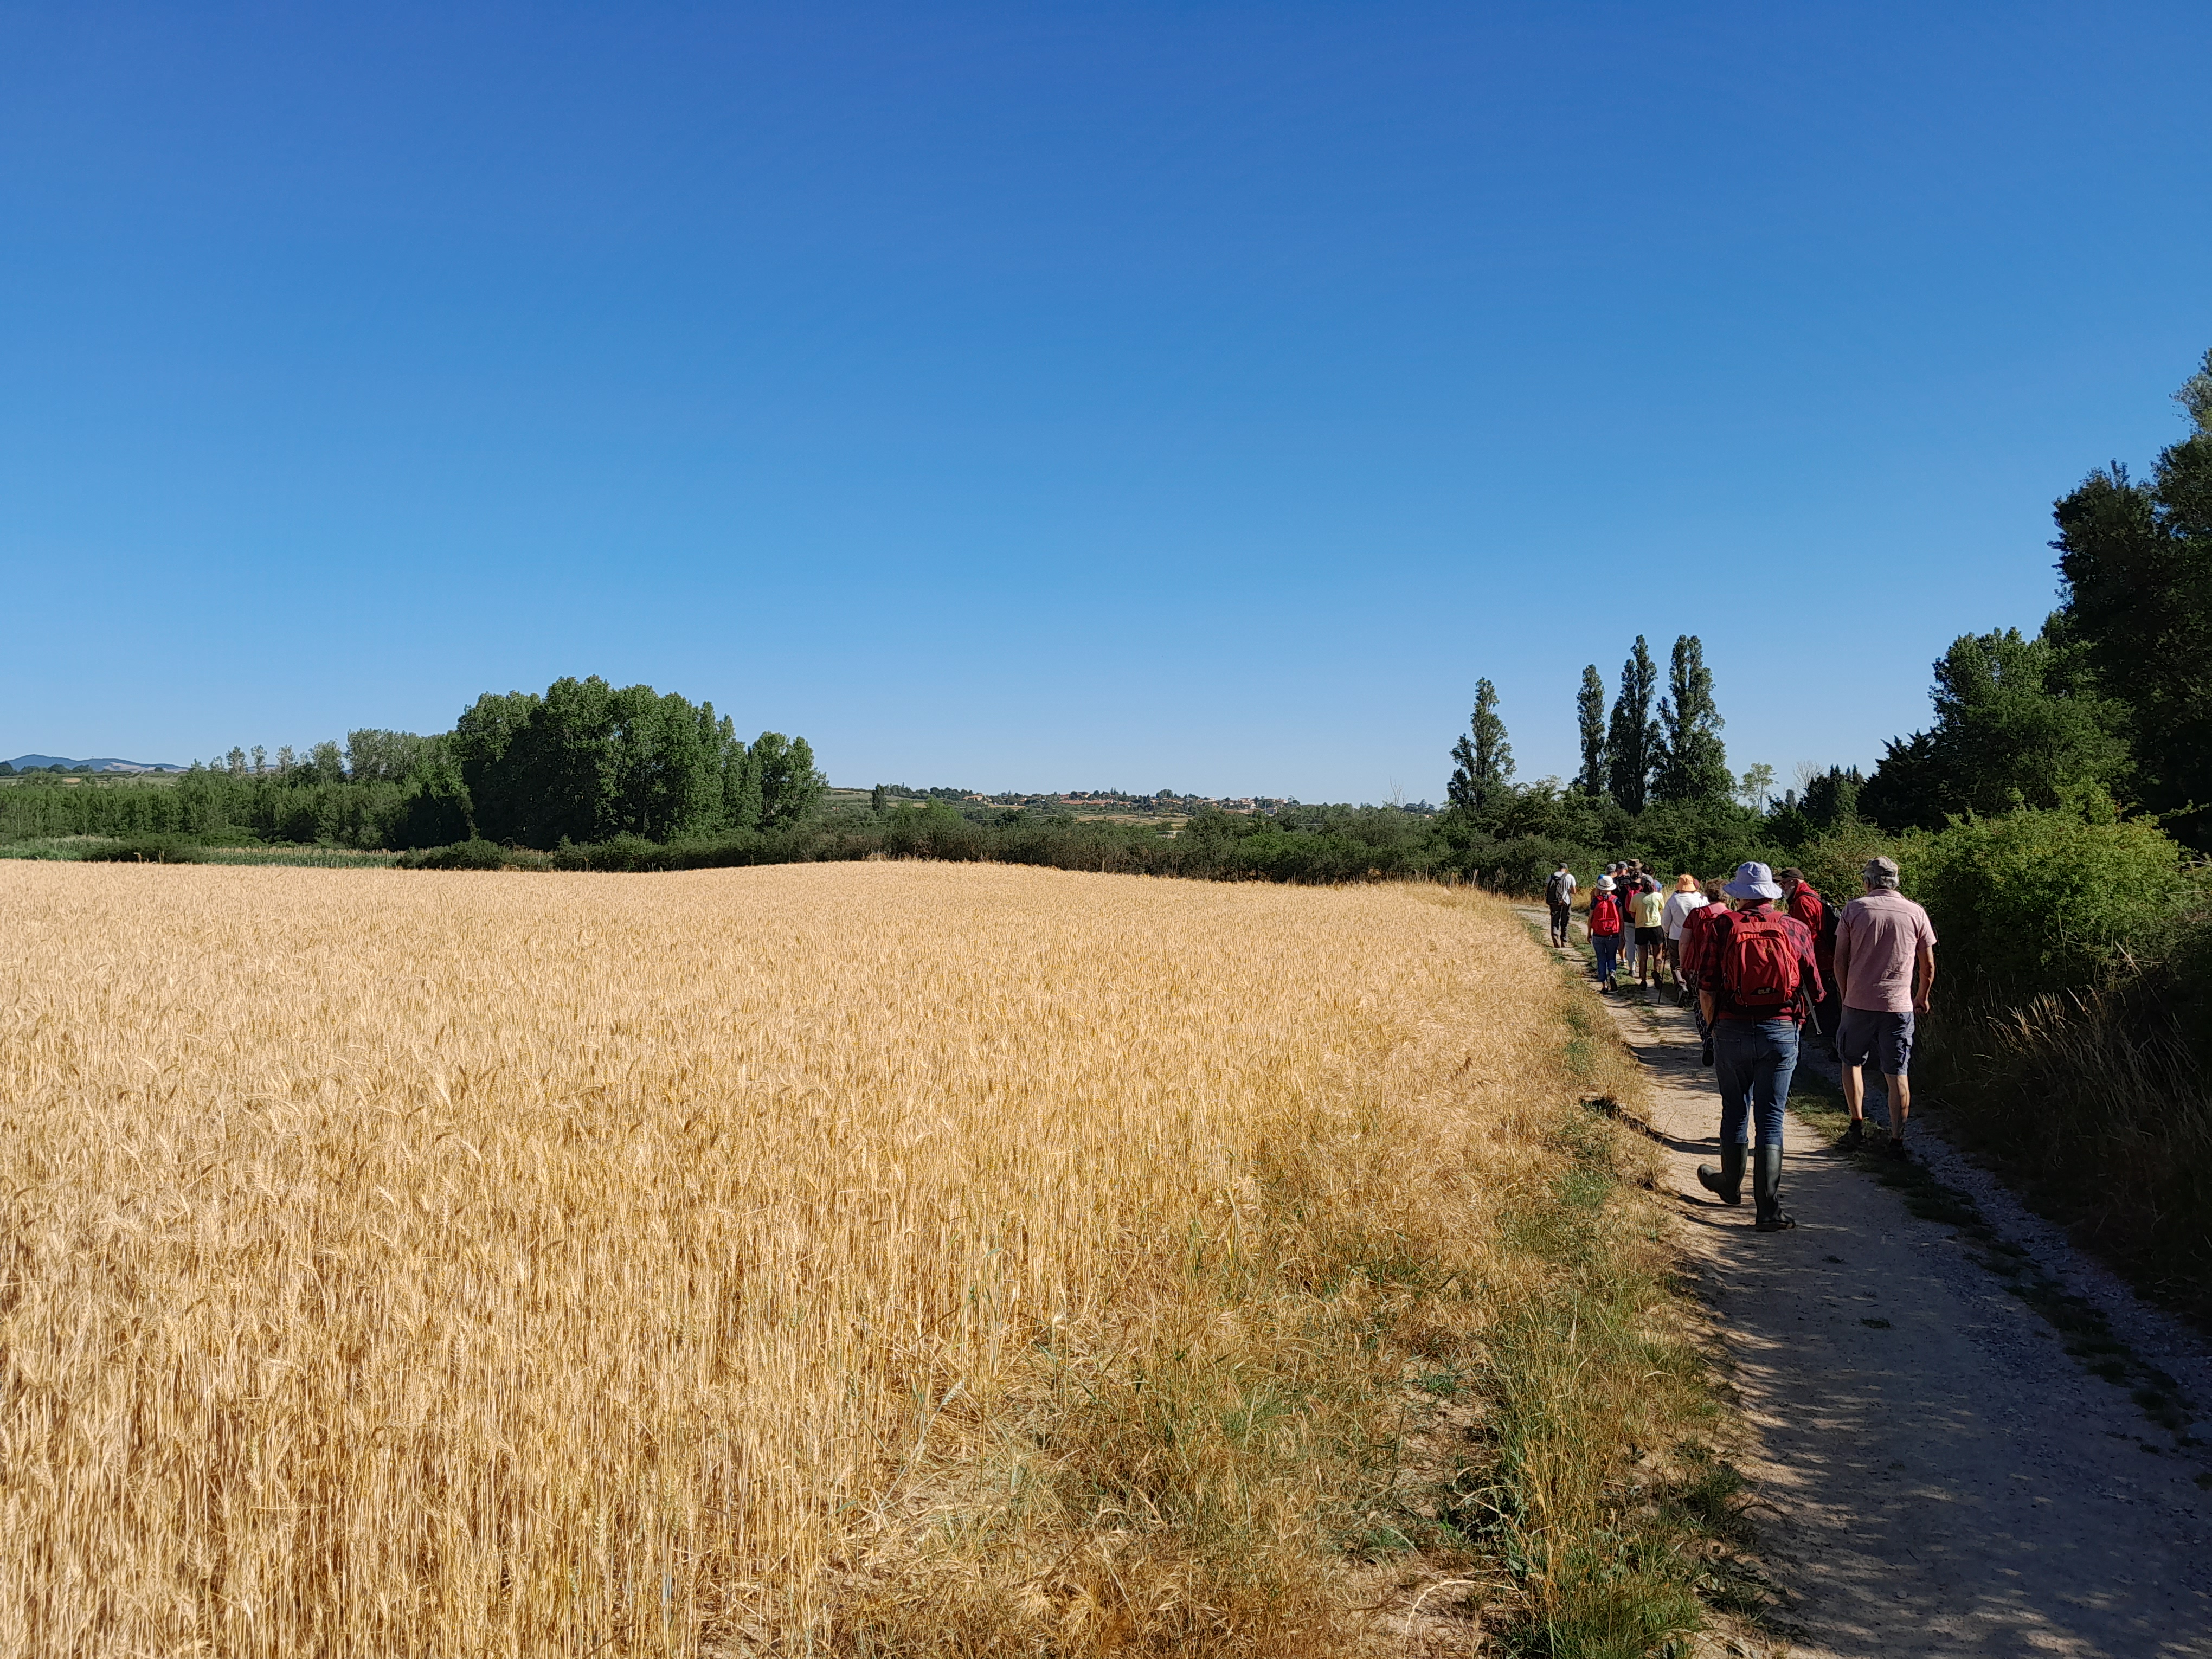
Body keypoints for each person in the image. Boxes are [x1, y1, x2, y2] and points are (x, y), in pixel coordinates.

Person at [1695, 862, 1823, 1231]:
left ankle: (1729, 1185)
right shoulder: (1793, 927)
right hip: (1780, 1030)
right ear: (1772, 894)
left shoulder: (1722, 926)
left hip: (1731, 1027)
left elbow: (1706, 985)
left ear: (1739, 896)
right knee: (1771, 1117)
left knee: (1735, 1109)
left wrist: (1713, 1028)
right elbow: (1817, 989)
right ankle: (1768, 1209)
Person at [1831, 856, 1938, 1160]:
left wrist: (1845, 993)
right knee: (1898, 1072)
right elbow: (1928, 966)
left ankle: (1856, 1126)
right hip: (1899, 1005)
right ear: (1896, 882)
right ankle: (1897, 1141)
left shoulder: (1854, 909)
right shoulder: (1916, 912)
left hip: (1858, 1002)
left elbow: (1840, 959)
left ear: (1868, 881)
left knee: (1852, 1062)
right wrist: (1922, 996)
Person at [1778, 868, 1839, 1059]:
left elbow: (1804, 937)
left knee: (1823, 1005)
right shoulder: (1810, 896)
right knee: (1826, 1004)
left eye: (1784, 883)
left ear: (1795, 882)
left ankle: (1835, 1046)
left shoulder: (1803, 901)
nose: (1781, 887)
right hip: (1824, 959)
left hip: (1818, 961)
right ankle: (1835, 1045)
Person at [1676, 879, 1727, 1065]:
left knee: (1701, 1005)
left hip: (1698, 967)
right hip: (1725, 970)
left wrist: (1683, 966)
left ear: (1706, 894)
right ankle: (1722, 1039)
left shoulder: (1696, 914)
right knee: (1724, 1005)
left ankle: (1708, 1037)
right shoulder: (1732, 917)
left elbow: (1684, 942)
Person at [1661, 873, 1706, 1000]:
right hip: (1694, 937)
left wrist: (1666, 931)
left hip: (1675, 936)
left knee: (1676, 963)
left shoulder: (1673, 900)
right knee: (1693, 963)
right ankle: (1693, 989)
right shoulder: (1700, 899)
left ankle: (1680, 987)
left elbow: (1666, 922)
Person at [1587, 875, 1624, 993]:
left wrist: (1589, 933)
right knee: (1612, 957)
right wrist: (1622, 934)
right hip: (1613, 933)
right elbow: (1621, 919)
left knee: (1601, 959)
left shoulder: (1595, 901)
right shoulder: (1616, 900)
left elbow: (1590, 918)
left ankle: (1604, 985)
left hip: (1598, 934)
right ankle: (1612, 973)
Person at [1630, 874, 1667, 989]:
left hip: (1641, 927)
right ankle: (1657, 973)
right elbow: (1661, 910)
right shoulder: (1658, 896)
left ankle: (1643, 980)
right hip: (1656, 927)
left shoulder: (1636, 897)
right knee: (1658, 953)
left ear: (1641, 884)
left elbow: (1632, 914)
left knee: (1643, 956)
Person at [1544, 861, 1578, 948]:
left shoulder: (1551, 876)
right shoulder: (1570, 877)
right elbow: (1574, 891)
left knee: (1555, 920)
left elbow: (1547, 888)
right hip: (1565, 902)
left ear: (1559, 868)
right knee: (1565, 921)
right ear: (1566, 869)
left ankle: (1555, 937)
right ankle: (1564, 941)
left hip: (1554, 902)